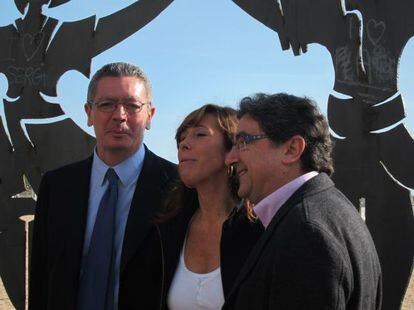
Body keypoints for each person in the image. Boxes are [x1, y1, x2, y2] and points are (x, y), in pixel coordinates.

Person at [29, 62, 177, 310]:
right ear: (88, 113)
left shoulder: (178, 187)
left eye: (132, 106)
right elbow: (42, 278)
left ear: (149, 116)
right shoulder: (57, 187)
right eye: (107, 104)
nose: (119, 115)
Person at [223, 93, 382, 310]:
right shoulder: (327, 211)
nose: (230, 159)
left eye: (242, 143)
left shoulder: (307, 232)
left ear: (292, 149)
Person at [158, 104, 263, 310]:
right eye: (182, 137)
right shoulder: (168, 227)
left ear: (232, 149)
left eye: (199, 134)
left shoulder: (260, 229)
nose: (184, 144)